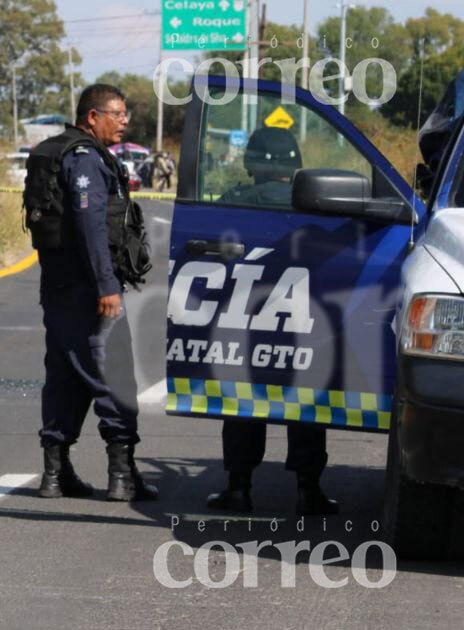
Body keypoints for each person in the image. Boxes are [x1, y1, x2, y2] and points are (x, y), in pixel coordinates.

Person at [27, 84, 158, 502]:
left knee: (65, 375)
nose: (124, 122)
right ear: (92, 117)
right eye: (117, 114)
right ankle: (122, 475)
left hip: (58, 285)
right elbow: (89, 226)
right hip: (90, 288)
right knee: (114, 374)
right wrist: (106, 286)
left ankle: (54, 473)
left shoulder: (62, 153)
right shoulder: (84, 160)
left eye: (125, 115)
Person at [208, 126, 338, 515]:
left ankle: (239, 487)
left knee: (244, 400)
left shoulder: (233, 202)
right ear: (296, 163)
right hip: (302, 325)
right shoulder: (317, 208)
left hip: (248, 325)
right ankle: (308, 489)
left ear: (250, 163)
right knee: (306, 402)